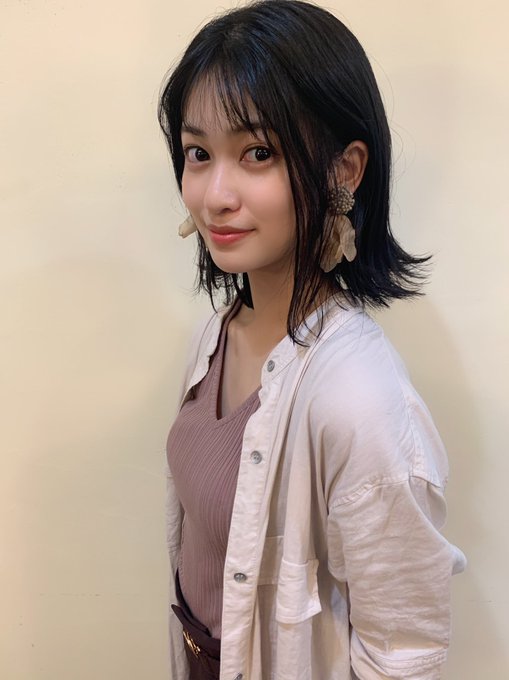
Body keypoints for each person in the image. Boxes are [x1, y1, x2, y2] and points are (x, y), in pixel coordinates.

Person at [158, 1, 466, 678]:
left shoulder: (358, 398)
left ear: (344, 170)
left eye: (258, 153)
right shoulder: (216, 335)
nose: (214, 194)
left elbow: (403, 653)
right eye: (198, 153)